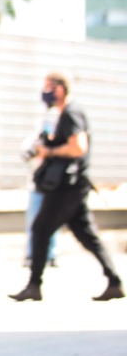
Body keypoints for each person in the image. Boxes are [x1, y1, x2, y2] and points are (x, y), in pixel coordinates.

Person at [9, 73, 123, 303]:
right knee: (86, 234)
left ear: (59, 89)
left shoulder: (71, 112)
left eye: (48, 88)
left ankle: (34, 285)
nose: (45, 93)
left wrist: (49, 151)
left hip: (67, 186)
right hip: (73, 185)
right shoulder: (64, 114)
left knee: (41, 229)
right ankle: (114, 281)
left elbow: (78, 147)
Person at [22, 109, 60, 269]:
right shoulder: (33, 141)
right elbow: (25, 155)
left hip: (52, 188)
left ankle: (51, 255)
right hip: (35, 188)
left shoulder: (57, 141)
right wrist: (37, 145)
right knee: (34, 223)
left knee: (53, 223)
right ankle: (31, 255)